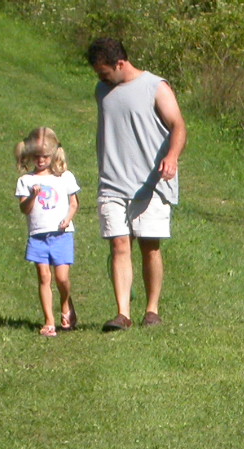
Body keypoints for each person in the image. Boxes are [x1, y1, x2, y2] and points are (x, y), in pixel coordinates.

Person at [85, 37, 187, 331]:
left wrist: (172, 156)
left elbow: (178, 125)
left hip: (150, 183)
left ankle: (152, 310)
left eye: (105, 72)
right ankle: (123, 314)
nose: (101, 78)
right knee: (119, 244)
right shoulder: (102, 91)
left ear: (120, 63)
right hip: (112, 181)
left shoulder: (155, 86)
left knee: (149, 246)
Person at [15, 127, 80, 337]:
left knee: (62, 278)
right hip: (38, 236)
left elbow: (74, 203)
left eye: (45, 156)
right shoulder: (26, 181)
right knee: (44, 277)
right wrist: (33, 196)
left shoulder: (64, 177)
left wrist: (68, 219)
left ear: (53, 154)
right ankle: (49, 321)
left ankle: (66, 304)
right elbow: (25, 209)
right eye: (36, 156)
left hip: (62, 235)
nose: (41, 160)